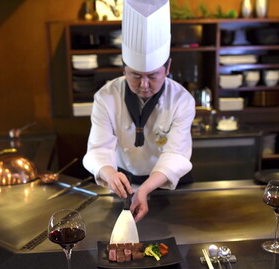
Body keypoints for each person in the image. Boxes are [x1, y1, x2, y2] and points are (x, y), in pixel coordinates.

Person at [83, 0, 195, 222]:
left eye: (153, 76)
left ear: (168, 68)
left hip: (167, 186)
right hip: (123, 184)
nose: (144, 85)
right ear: (124, 68)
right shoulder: (106, 97)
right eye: (135, 75)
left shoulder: (182, 100)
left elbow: (176, 154)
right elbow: (97, 149)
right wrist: (110, 174)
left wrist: (145, 189)